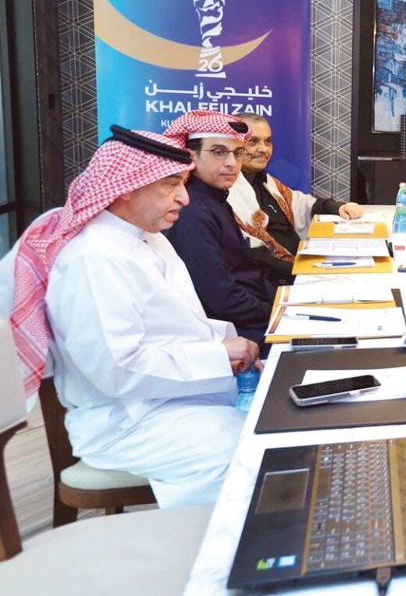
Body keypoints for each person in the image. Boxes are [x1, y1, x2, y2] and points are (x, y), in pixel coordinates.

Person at [0, 126, 259, 507]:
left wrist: (233, 351)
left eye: (183, 183)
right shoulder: (93, 259)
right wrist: (218, 355)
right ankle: (214, 557)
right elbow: (117, 369)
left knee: (278, 426)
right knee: (255, 456)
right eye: (171, 184)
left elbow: (180, 323)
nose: (185, 198)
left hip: (172, 401)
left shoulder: (147, 237)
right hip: (128, 423)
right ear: (126, 186)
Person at [162, 110, 276, 346]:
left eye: (237, 153)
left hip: (254, 314)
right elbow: (222, 298)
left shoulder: (215, 198)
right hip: (235, 333)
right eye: (218, 152)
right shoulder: (191, 212)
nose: (232, 163)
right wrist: (279, 314)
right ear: (191, 156)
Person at [227, 113, 363, 285]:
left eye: (268, 141)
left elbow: (303, 204)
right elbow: (255, 256)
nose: (263, 149)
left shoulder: (266, 181)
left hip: (303, 267)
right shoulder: (228, 190)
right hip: (276, 281)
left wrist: (338, 207)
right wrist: (305, 274)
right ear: (235, 146)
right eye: (253, 141)